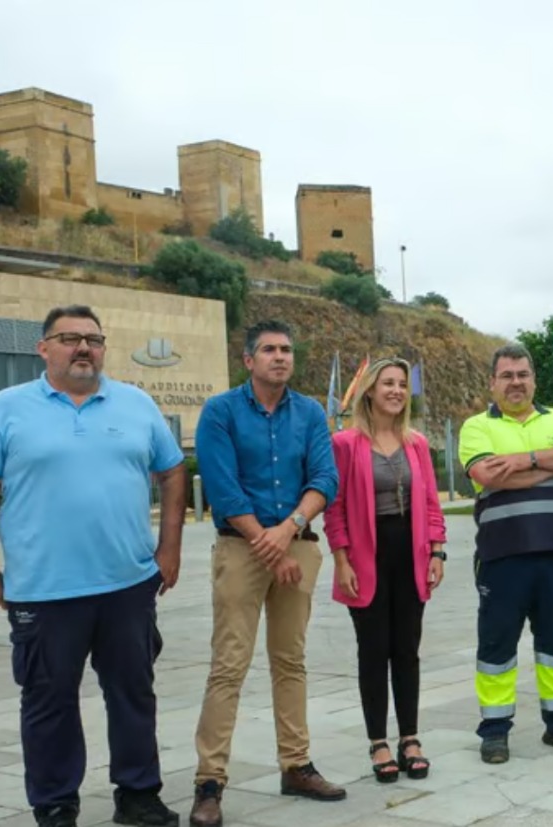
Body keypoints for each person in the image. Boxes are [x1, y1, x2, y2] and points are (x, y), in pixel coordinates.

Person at [0, 304, 186, 827]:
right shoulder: (7, 409)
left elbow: (173, 471)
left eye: (93, 339)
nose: (83, 348)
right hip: (43, 589)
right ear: (43, 348)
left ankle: (138, 794)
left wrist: (170, 548)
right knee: (48, 700)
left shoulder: (136, 404)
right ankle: (55, 803)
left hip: (127, 584)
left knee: (133, 694)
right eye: (69, 338)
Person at [189, 319, 343, 827]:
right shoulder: (221, 412)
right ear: (248, 360)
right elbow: (223, 487)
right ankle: (209, 782)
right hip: (241, 548)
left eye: (286, 350)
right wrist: (271, 546)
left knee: (290, 660)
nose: (280, 357)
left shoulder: (310, 413)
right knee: (229, 665)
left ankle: (296, 765)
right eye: (270, 350)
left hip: (296, 544)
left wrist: (291, 528)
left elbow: (325, 478)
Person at [456, 342, 553, 764]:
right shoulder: (476, 427)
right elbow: (487, 474)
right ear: (492, 382)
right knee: (497, 644)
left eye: (522, 374)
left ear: (534, 380)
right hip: (501, 557)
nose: (516, 382)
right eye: (507, 375)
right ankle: (494, 731)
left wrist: (524, 459)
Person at [322, 357, 448, 783]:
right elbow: (335, 508)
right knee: (373, 651)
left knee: (407, 650)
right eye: (387, 383)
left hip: (411, 555)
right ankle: (378, 742)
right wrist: (341, 559)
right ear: (370, 391)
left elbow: (431, 503)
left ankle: (410, 738)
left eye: (401, 384)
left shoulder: (416, 444)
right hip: (365, 558)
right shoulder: (345, 444)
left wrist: (437, 552)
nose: (396, 390)